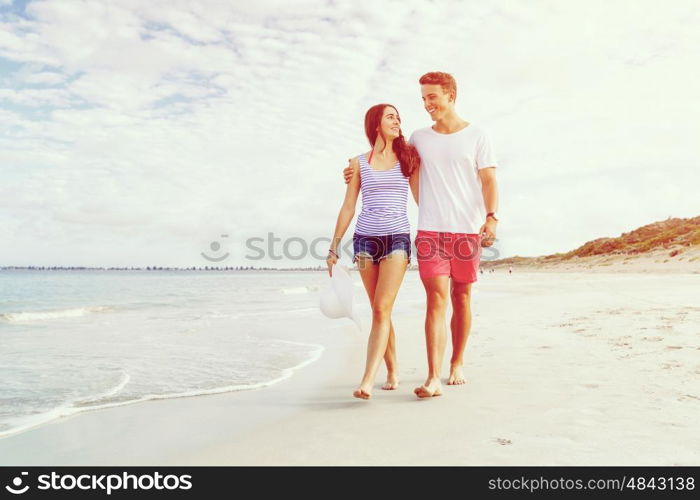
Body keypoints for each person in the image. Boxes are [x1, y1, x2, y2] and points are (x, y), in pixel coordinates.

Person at [344, 72, 499, 398]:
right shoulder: (418, 137)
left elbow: (488, 181)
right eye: (423, 99)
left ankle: (456, 363)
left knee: (462, 297)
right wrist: (353, 168)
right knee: (436, 300)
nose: (427, 104)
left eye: (432, 97)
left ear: (450, 95)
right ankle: (432, 377)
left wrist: (491, 217)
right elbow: (389, 155)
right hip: (430, 230)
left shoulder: (478, 135)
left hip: (467, 230)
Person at [327, 103, 420, 400]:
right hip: (365, 240)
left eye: (398, 117)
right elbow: (348, 206)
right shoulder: (357, 163)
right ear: (376, 124)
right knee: (381, 309)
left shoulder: (408, 157)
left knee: (381, 308)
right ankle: (392, 371)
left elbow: (421, 198)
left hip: (397, 238)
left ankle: (367, 379)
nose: (397, 121)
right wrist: (333, 247)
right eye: (390, 116)